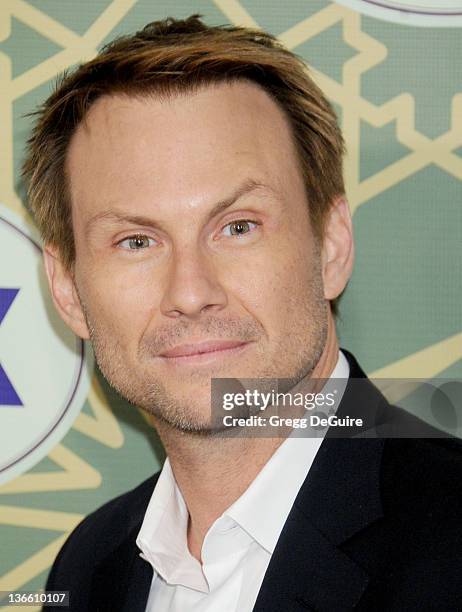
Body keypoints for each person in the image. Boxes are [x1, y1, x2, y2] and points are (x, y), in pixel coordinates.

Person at [22, 14, 461, 612]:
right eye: (136, 241)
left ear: (330, 246)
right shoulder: (91, 563)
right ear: (68, 289)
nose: (191, 290)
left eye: (237, 226)